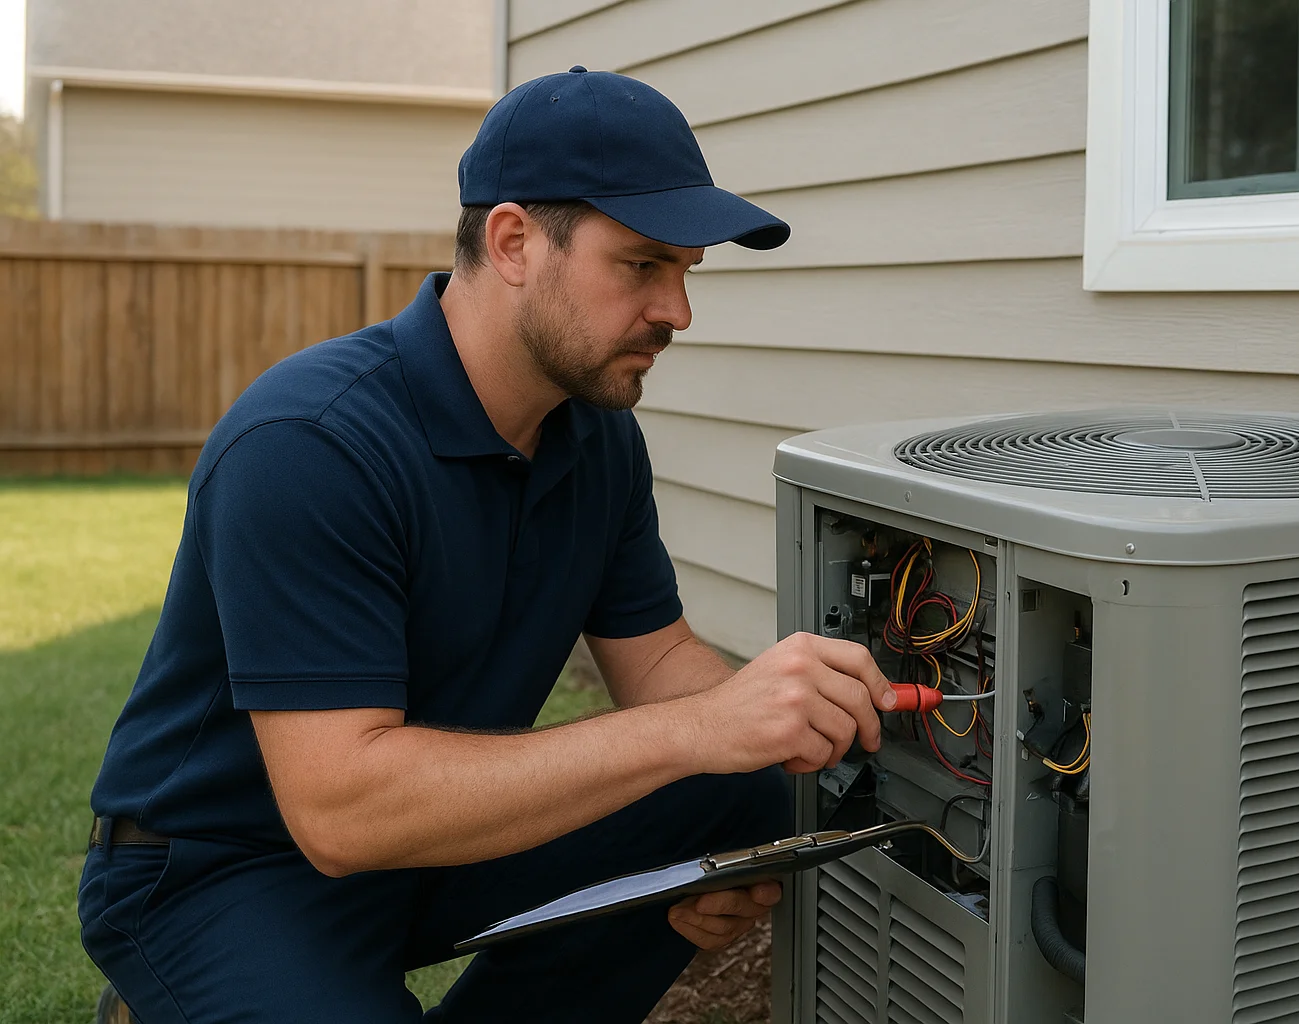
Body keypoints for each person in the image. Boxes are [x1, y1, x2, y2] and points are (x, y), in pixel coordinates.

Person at [78, 66, 897, 1023]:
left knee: (743, 798)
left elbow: (660, 659)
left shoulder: (594, 436)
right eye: (641, 266)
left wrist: (781, 720)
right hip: (225, 868)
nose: (678, 312)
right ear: (512, 241)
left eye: (685, 272)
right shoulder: (310, 444)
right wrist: (698, 729)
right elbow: (341, 811)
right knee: (701, 753)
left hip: (435, 840)